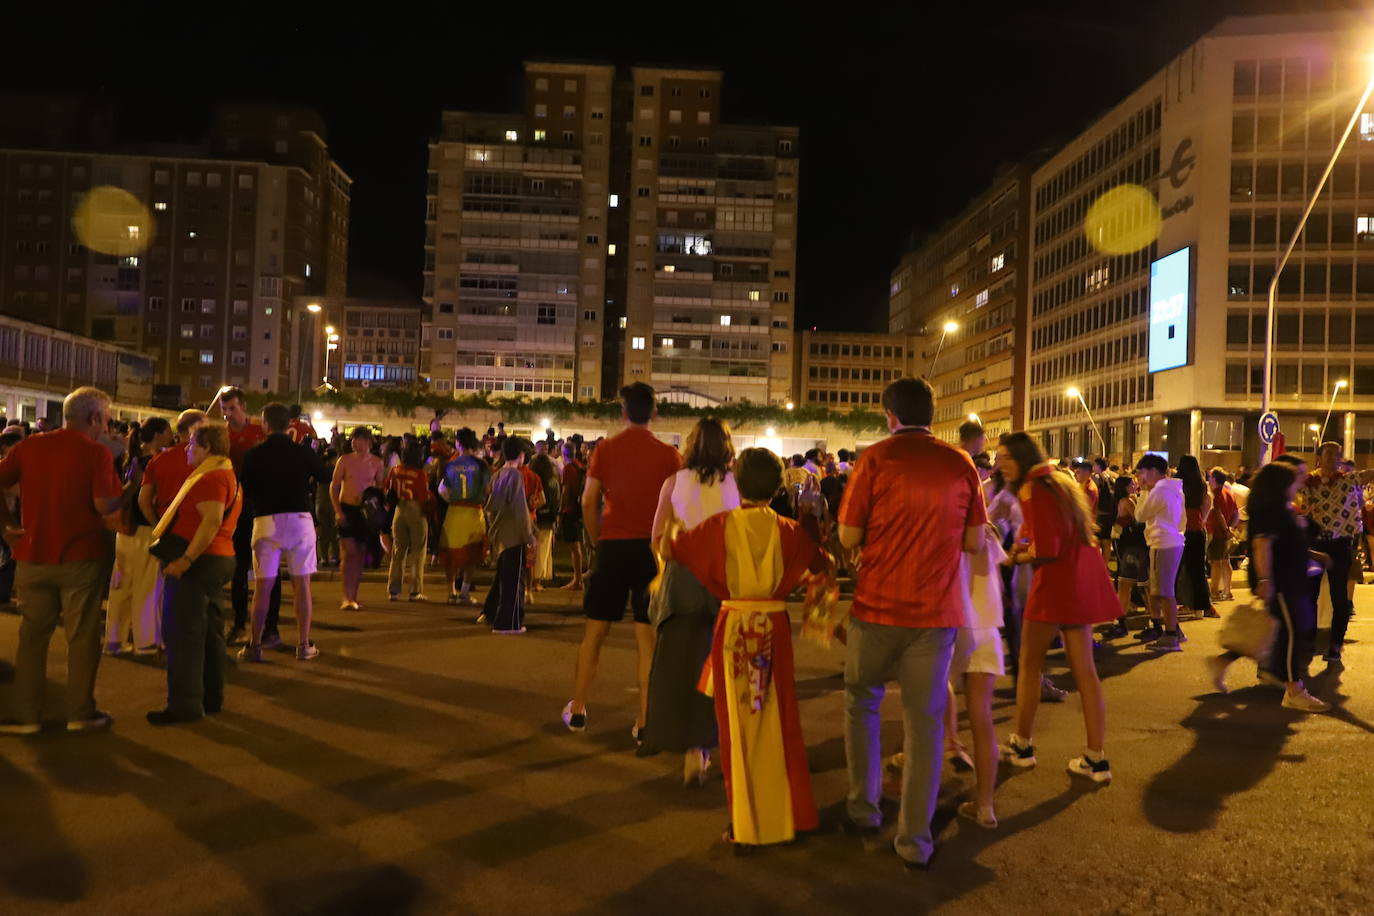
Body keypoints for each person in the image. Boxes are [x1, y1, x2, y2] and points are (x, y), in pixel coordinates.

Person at [836, 376, 986, 869]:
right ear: (932, 413)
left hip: (876, 607)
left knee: (863, 702)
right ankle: (914, 839)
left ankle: (863, 807)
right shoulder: (960, 463)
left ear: (889, 415)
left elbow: (848, 533)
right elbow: (973, 541)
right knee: (924, 727)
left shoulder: (874, 460)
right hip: (935, 615)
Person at [663, 447, 833, 847]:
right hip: (774, 627)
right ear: (778, 488)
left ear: (737, 482)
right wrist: (819, 621)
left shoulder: (718, 527)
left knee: (737, 727)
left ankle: (746, 821)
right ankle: (788, 814)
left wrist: (671, 524)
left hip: (734, 628)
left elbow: (673, 549)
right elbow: (823, 568)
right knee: (779, 721)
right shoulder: (791, 532)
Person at [0, 388, 126, 735]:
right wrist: (128, 494)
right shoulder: (96, 453)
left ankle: (26, 715)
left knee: (32, 638)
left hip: (32, 555)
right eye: (106, 417)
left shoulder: (29, 446)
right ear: (95, 418)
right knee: (82, 636)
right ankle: (80, 711)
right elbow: (104, 506)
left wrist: (7, 526)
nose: (107, 424)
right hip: (80, 557)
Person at [996, 432, 1116, 784]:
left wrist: (1015, 556)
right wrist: (1024, 543)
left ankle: (1022, 745)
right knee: (1085, 672)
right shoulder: (1058, 482)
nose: (1000, 463)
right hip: (1076, 582)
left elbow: (1045, 548)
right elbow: (1054, 533)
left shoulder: (1032, 488)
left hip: (1053, 584)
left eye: (1005, 456)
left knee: (1029, 664)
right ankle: (1096, 758)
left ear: (1020, 458)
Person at [563, 382, 681, 739]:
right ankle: (644, 721)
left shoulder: (606, 450)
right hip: (649, 549)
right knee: (646, 638)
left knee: (595, 632)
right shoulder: (669, 456)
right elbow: (674, 509)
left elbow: (588, 501)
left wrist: (597, 537)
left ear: (623, 411)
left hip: (613, 546)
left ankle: (580, 708)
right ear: (654, 412)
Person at [641, 417, 740, 786]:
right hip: (721, 583)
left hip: (682, 581)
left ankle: (685, 748)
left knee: (678, 666)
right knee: (715, 666)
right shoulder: (736, 485)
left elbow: (656, 537)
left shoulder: (674, 483)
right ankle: (706, 747)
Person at [1206, 462, 1329, 711]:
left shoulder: (1279, 508)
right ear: (1282, 484)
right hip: (1279, 580)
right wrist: (1265, 580)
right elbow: (1262, 545)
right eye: (1295, 480)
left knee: (1277, 631)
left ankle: (1227, 662)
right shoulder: (1272, 510)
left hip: (1288, 578)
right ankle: (1294, 690)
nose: (1299, 485)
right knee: (1292, 631)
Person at [146, 424, 241, 724]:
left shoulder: (210, 478)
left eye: (191, 445)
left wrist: (186, 560)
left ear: (207, 447)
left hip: (201, 562)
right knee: (211, 634)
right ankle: (212, 697)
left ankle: (184, 706)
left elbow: (211, 521)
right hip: (219, 558)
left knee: (184, 636)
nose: (186, 449)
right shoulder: (227, 474)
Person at [238, 402, 328, 662]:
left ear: (265, 425)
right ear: (289, 424)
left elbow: (245, 488)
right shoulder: (302, 453)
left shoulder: (253, 455)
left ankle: (255, 644)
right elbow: (324, 476)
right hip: (299, 519)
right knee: (302, 585)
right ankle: (303, 644)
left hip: (265, 519)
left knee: (263, 587)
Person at [105, 417, 174, 656]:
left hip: (124, 530)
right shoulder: (156, 462)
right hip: (146, 530)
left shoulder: (124, 459)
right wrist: (160, 528)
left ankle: (114, 640)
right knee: (147, 586)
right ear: (158, 435)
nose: (171, 435)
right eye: (168, 431)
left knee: (121, 585)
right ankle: (146, 642)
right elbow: (149, 501)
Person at [1300, 442, 1372, 662]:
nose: (1334, 457)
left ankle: (1335, 645)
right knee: (1308, 596)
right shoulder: (1307, 481)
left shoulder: (1348, 480)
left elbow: (1368, 474)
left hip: (1340, 545)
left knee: (1339, 598)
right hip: (1314, 545)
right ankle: (1309, 641)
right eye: (1329, 453)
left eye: (1338, 454)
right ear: (1319, 456)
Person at [220, 388, 276, 646]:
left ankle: (269, 627)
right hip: (235, 505)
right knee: (238, 567)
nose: (228, 414)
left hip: (260, 504)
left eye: (232, 408)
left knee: (268, 567)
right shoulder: (222, 435)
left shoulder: (258, 432)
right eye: (225, 408)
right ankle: (240, 622)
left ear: (243, 406)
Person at [481, 438, 535, 634]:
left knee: (504, 576)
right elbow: (520, 509)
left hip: (500, 532)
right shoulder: (515, 476)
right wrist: (529, 536)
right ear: (521, 455)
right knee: (513, 581)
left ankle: (490, 612)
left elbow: (490, 507)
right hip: (513, 534)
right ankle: (508, 622)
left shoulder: (497, 475)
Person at [1133, 453, 1186, 650]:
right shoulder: (1175, 489)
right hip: (1173, 541)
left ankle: (1171, 635)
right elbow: (1182, 520)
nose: (1141, 478)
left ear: (1154, 471)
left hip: (1162, 543)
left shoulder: (1159, 491)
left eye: (1143, 473)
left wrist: (1144, 491)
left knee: (1164, 592)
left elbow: (1140, 515)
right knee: (1162, 591)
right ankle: (1173, 630)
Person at [330, 426, 384, 611]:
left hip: (365, 512)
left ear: (368, 441)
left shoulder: (377, 463)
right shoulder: (344, 460)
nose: (354, 442)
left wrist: (378, 513)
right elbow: (334, 487)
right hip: (347, 508)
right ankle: (346, 595)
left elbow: (380, 489)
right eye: (353, 439)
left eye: (359, 439)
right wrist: (338, 511)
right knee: (348, 551)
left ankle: (354, 595)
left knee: (360, 553)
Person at [439, 428, 490, 605]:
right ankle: (465, 592)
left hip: (455, 511)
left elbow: (443, 490)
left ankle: (450, 591)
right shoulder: (482, 464)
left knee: (451, 554)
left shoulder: (451, 464)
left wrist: (453, 499)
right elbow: (487, 490)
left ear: (458, 443)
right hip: (475, 512)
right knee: (473, 554)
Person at [385, 441, 432, 601]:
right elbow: (424, 496)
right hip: (415, 509)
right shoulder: (420, 473)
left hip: (399, 509)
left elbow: (387, 488)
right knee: (418, 551)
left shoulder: (395, 470)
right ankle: (415, 590)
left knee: (398, 551)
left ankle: (394, 590)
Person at [1107, 474, 1148, 640]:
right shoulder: (1128, 501)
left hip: (1126, 544)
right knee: (1136, 584)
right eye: (1132, 483)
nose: (1135, 484)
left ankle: (1122, 622)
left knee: (1127, 583)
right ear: (1124, 486)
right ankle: (1154, 621)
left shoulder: (1124, 500)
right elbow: (1139, 520)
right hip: (1132, 544)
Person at [1176, 455, 1215, 618]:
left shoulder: (1177, 484)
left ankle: (1180, 604)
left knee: (1177, 570)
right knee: (1198, 570)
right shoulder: (1202, 486)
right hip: (1197, 529)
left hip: (1179, 530)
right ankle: (1203, 606)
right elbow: (1206, 507)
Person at [529, 449, 561, 591]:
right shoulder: (553, 481)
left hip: (534, 518)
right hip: (548, 520)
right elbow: (557, 501)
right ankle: (538, 581)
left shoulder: (532, 479)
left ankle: (531, 581)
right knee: (543, 551)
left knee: (532, 550)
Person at [1207, 467, 1240, 602]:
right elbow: (1236, 513)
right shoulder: (1229, 493)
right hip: (1226, 534)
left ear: (1214, 479)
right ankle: (1228, 590)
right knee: (1226, 561)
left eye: (1210, 477)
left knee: (1216, 563)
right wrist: (1231, 528)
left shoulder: (1217, 494)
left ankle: (1214, 592)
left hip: (1218, 533)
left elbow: (1218, 513)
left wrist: (1226, 529)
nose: (1208, 480)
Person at [557, 440, 587, 590]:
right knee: (576, 546)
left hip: (569, 510)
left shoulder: (568, 468)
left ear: (563, 453)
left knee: (573, 547)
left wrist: (560, 510)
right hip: (577, 508)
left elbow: (566, 491)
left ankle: (577, 580)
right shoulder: (579, 465)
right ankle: (578, 579)